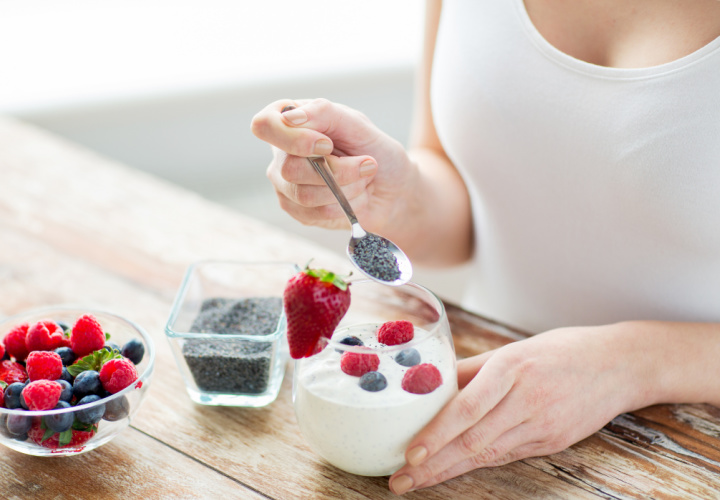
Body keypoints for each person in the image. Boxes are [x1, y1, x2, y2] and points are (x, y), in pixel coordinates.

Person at [251, 0, 720, 494]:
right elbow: (470, 213)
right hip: (480, 402)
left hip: (688, 449)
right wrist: (396, 196)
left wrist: (631, 363)